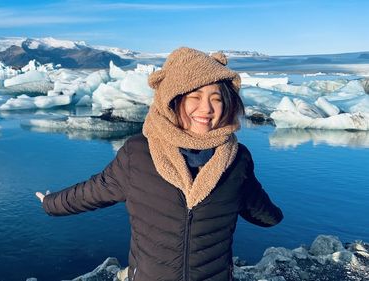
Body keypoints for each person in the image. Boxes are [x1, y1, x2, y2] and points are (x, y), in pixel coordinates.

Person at [35, 47, 283, 281]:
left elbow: (256, 205)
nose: (206, 108)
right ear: (172, 99)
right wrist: (51, 203)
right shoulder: (139, 154)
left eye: (216, 98)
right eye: (194, 96)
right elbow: (94, 190)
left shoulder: (236, 159)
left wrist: (274, 217)